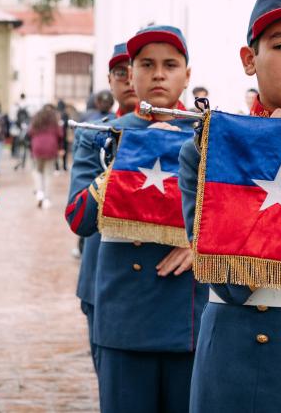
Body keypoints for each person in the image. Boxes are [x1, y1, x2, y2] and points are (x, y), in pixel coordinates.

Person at [179, 0, 281, 413]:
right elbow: (227, 279)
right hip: (234, 357)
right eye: (280, 45)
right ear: (249, 59)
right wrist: (274, 152)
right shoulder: (208, 150)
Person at [66, 26, 207, 413]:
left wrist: (200, 244)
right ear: (131, 74)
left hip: (189, 310)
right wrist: (132, 158)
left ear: (187, 75)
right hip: (125, 313)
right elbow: (79, 218)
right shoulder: (101, 136)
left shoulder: (211, 137)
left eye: (170, 64)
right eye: (147, 64)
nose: (159, 74)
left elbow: (239, 220)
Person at [73, 42, 139, 371]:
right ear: (110, 81)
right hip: (104, 277)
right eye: (119, 72)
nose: (129, 79)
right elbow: (78, 214)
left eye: (135, 68)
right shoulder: (92, 133)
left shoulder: (192, 130)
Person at [28, 105, 63, 208]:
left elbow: (29, 133)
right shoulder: (54, 120)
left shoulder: (36, 119)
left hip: (37, 147)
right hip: (51, 147)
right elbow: (60, 135)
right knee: (48, 173)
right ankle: (47, 199)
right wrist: (60, 147)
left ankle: (39, 192)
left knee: (37, 171)